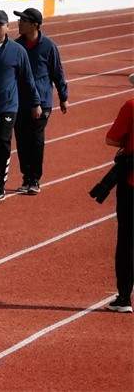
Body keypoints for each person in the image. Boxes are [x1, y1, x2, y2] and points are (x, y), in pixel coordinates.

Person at [0, 10, 40, 203]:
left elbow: (28, 79)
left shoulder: (17, 51)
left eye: (0, 24)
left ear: (7, 27)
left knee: (2, 144)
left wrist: (36, 102)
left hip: (8, 107)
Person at [12, 8, 68, 195]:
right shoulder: (16, 46)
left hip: (42, 102)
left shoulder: (48, 46)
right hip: (19, 102)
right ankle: (26, 177)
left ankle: (34, 179)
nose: (19, 23)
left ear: (35, 24)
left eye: (23, 20)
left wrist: (63, 97)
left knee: (35, 139)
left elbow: (57, 72)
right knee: (21, 140)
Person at [94, 78, 133, 313]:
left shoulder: (130, 106)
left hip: (130, 183)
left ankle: (125, 297)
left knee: (127, 239)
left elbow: (111, 139)